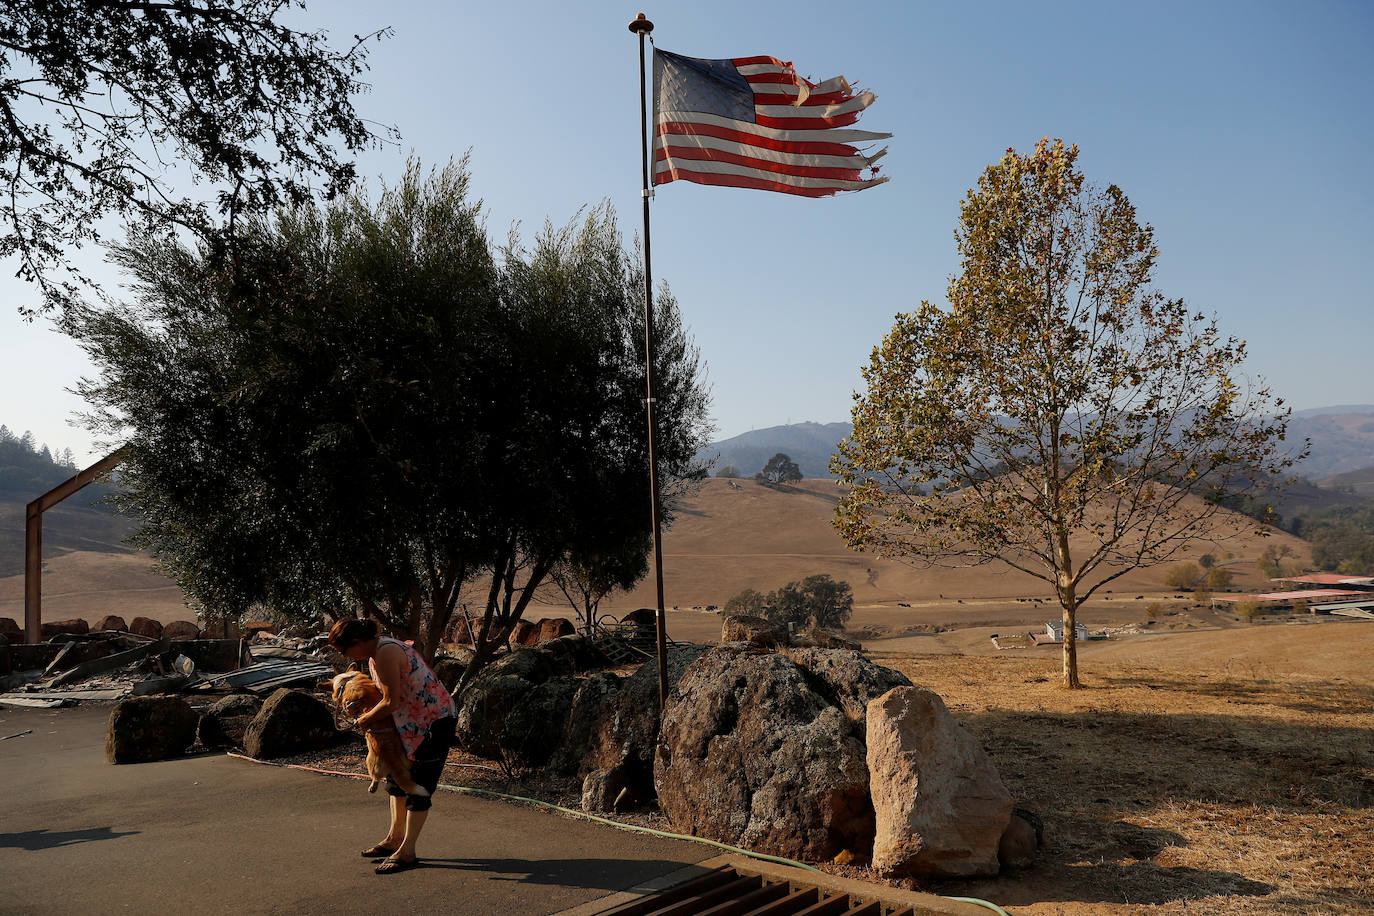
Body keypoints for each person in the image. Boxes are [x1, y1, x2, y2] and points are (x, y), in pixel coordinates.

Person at [328, 618, 457, 875]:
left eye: (343, 651)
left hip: (432, 722)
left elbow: (390, 702)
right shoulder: (376, 654)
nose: (344, 657)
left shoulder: (385, 653)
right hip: (408, 724)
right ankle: (394, 838)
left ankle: (407, 851)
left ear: (356, 642)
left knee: (419, 784)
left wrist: (364, 720)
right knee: (396, 780)